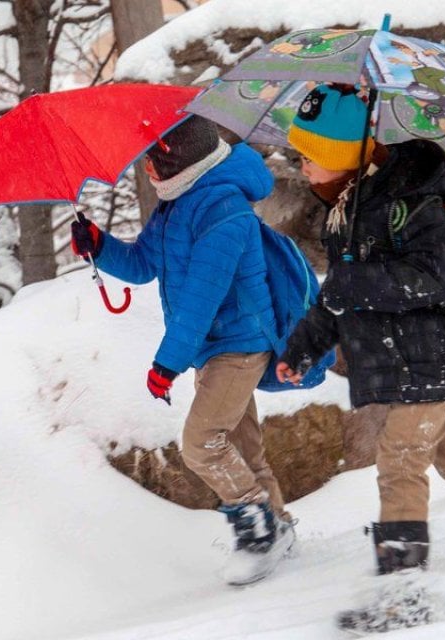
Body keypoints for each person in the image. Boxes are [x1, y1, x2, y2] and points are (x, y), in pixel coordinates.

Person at [274, 84, 445, 631]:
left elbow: (434, 279)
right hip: (404, 363)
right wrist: (303, 349)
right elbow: (339, 294)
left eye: (310, 157)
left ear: (343, 155)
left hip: (429, 358)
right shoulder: (346, 211)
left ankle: (403, 594)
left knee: (399, 462)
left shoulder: (408, 205)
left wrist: (358, 283)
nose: (302, 169)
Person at [70, 115, 295, 586]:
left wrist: (167, 363)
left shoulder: (224, 209)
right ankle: (280, 528)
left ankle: (257, 532)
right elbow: (143, 264)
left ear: (182, 160)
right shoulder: (176, 203)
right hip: (214, 347)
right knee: (240, 444)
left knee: (202, 442)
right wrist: (99, 245)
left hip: (239, 343)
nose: (148, 170)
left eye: (154, 160)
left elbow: (200, 297)